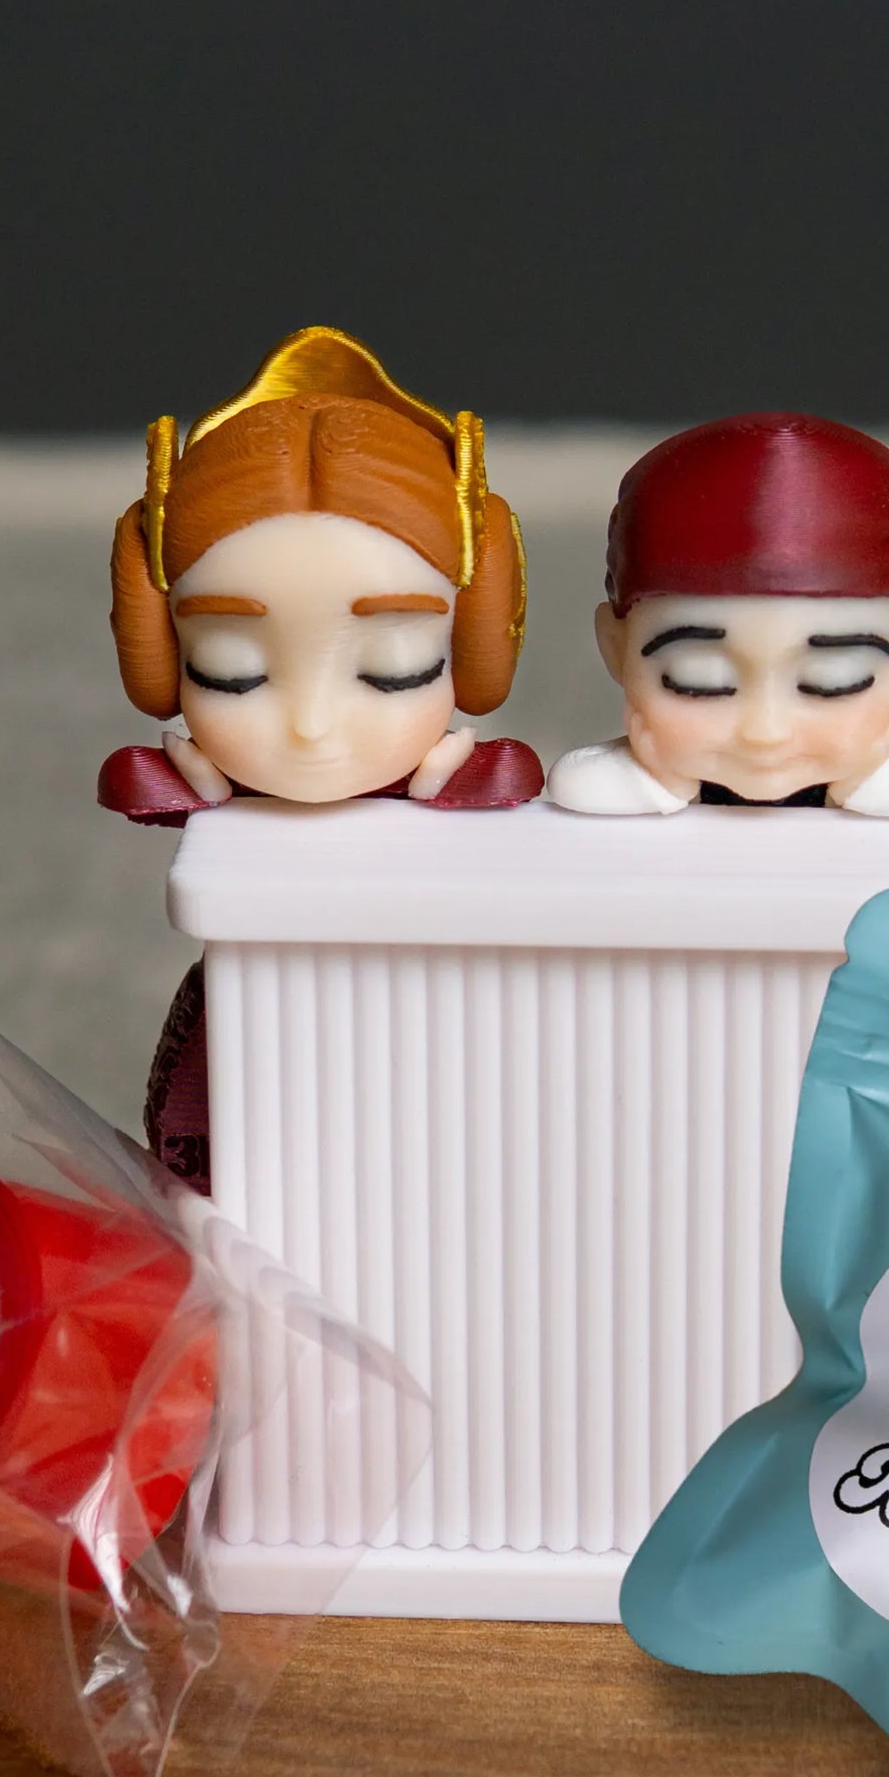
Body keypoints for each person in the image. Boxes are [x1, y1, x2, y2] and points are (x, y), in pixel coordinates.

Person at [101, 327, 543, 1186]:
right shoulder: (207, 794)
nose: (310, 726)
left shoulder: (457, 780)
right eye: (232, 670)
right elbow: (134, 787)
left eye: (392, 667)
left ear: (478, 636)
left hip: (436, 1039)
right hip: (249, 1046)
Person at [544, 413, 889, 819]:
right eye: (700, 679)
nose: (765, 732)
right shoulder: (613, 782)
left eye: (834, 680)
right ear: (616, 648)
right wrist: (651, 785)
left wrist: (873, 783)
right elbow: (590, 785)